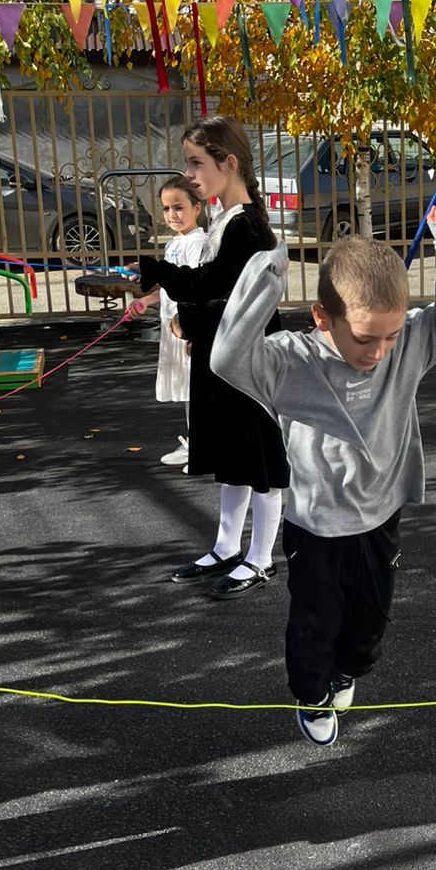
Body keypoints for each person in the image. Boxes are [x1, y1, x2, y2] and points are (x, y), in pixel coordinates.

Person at [211, 202, 436, 745]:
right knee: (316, 622)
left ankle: (345, 672)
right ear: (320, 317)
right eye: (364, 338)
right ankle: (311, 696)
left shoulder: (403, 346)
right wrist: (265, 274)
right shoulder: (289, 362)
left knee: (368, 628)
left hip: (380, 515)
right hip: (316, 525)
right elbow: (226, 359)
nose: (378, 352)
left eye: (388, 336)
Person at [134, 116, 289, 599]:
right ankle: (226, 545)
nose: (192, 173)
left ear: (229, 163)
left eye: (197, 163)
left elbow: (225, 299)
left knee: (259, 459)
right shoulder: (228, 221)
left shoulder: (245, 227)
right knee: (233, 454)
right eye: (188, 163)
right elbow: (214, 296)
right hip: (226, 358)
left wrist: (183, 313)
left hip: (247, 361)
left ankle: (261, 557)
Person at [128, 176, 210, 469]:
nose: (172, 215)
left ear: (197, 208)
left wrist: (193, 331)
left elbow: (194, 288)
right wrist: (146, 302)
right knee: (187, 389)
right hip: (171, 323)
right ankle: (195, 442)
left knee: (196, 389)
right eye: (166, 209)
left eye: (179, 207)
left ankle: (203, 447)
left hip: (184, 325)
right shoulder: (175, 243)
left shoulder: (197, 243)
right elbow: (169, 286)